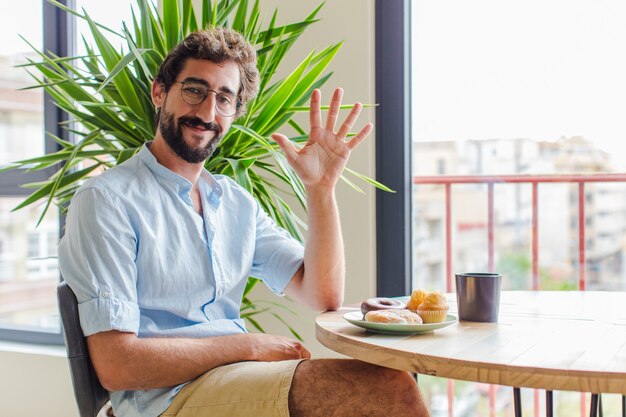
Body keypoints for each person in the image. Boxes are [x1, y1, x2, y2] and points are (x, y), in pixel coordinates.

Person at [59, 27, 430, 417]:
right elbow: (118, 365)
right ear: (159, 92)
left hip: (235, 377)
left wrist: (321, 189)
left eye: (224, 99)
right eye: (194, 90)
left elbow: (321, 295)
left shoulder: (235, 203)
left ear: (235, 112)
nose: (206, 112)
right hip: (164, 400)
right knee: (388, 388)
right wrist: (247, 346)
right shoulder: (106, 202)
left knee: (384, 380)